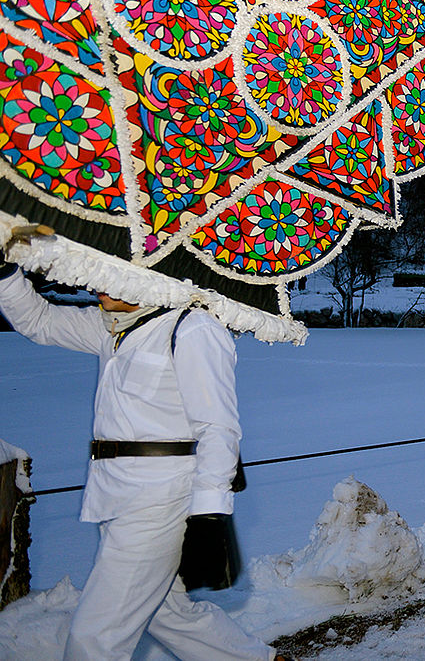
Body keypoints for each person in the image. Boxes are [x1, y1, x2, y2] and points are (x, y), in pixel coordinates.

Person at [0, 249, 287, 661]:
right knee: (167, 615)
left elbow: (218, 428)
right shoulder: (111, 327)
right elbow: (39, 321)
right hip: (115, 493)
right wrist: (5, 272)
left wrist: (209, 512)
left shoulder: (192, 328)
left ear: (143, 274)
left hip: (161, 499)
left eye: (107, 273)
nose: (93, 283)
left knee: (96, 635)